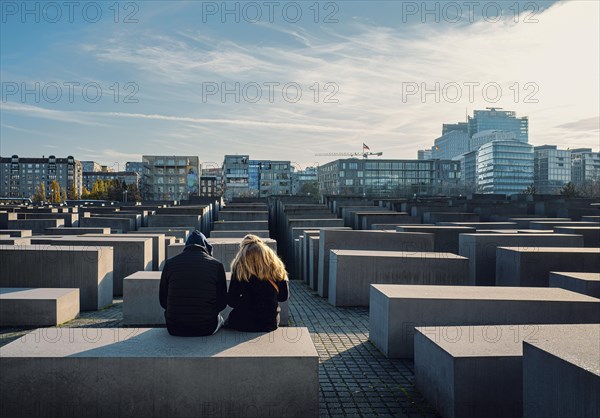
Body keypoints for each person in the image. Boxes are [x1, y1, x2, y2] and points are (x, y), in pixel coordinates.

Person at [159, 230, 227, 336]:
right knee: (221, 319)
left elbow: (163, 301)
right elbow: (222, 303)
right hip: (206, 327)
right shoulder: (217, 265)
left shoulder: (170, 264)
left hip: (175, 327)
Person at [226, 235, 289, 332]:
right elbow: (283, 297)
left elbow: (231, 301)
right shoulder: (276, 266)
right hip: (269, 323)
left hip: (242, 323)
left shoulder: (239, 268)